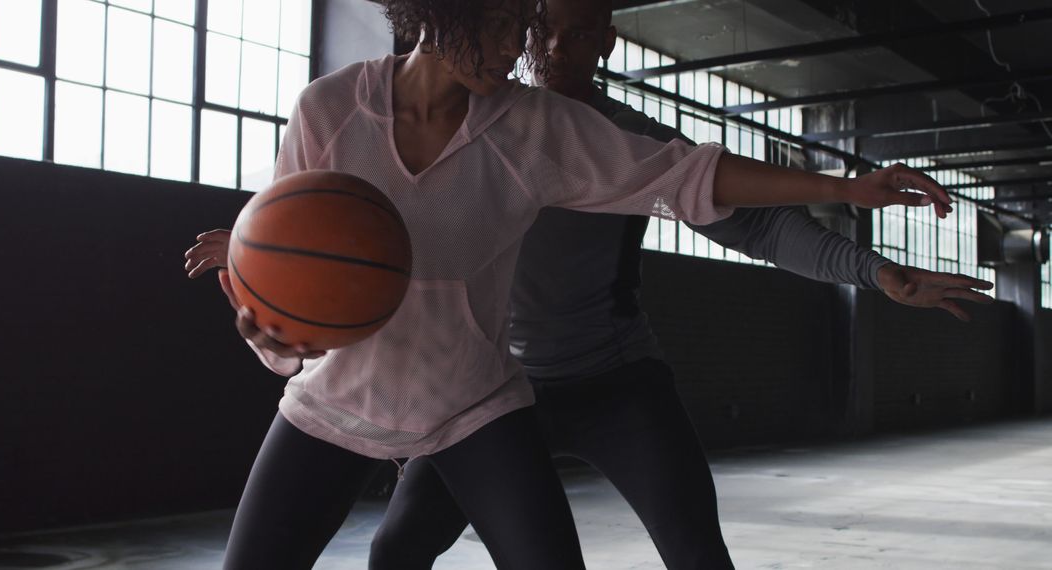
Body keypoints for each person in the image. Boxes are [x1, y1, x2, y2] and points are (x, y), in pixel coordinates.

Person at [184, 0, 965, 568]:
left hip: (498, 398)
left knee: (651, 554)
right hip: (345, 400)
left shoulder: (541, 129)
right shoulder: (328, 109)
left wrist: (844, 192)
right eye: (501, 22)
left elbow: (695, 180)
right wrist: (271, 323)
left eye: (520, 24)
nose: (515, 45)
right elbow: (291, 276)